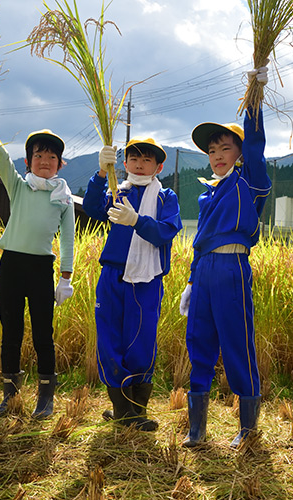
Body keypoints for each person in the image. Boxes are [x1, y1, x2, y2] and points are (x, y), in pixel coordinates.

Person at [179, 65, 272, 449]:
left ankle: (248, 429)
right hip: (204, 273)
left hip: (233, 267)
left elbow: (254, 145)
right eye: (212, 151)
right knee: (198, 342)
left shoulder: (250, 181)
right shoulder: (207, 194)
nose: (218, 155)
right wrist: (189, 280)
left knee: (237, 343)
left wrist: (255, 96)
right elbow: (199, 241)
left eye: (225, 148)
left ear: (239, 153)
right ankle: (196, 429)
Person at [0, 109, 75, 420]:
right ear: (28, 161)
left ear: (60, 164)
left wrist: (65, 278)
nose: (44, 161)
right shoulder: (19, 187)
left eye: (52, 157)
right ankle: (9, 398)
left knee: (43, 334)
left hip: (41, 269)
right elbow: (0, 157)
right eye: (38, 155)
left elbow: (68, 240)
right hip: (11, 266)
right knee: (10, 331)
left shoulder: (64, 199)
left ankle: (45, 400)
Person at [83, 137, 182, 431]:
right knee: (109, 338)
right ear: (124, 163)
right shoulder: (116, 191)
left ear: (158, 166)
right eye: (134, 159)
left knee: (141, 341)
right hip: (113, 274)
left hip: (147, 279)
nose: (140, 164)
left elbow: (165, 232)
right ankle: (121, 410)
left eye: (147, 160)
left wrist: (136, 220)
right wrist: (101, 173)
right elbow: (91, 208)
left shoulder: (166, 197)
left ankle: (137, 411)